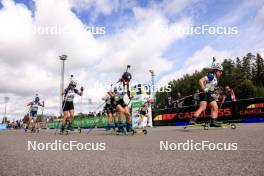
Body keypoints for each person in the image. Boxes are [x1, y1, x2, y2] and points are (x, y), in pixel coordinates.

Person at [190, 63, 224, 127]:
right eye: (220, 71)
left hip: (209, 94)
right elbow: (200, 80)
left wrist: (216, 92)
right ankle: (193, 120)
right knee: (203, 107)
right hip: (204, 93)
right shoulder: (211, 76)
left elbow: (210, 87)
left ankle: (213, 122)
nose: (221, 73)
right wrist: (203, 88)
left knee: (215, 107)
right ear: (216, 71)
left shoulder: (216, 80)